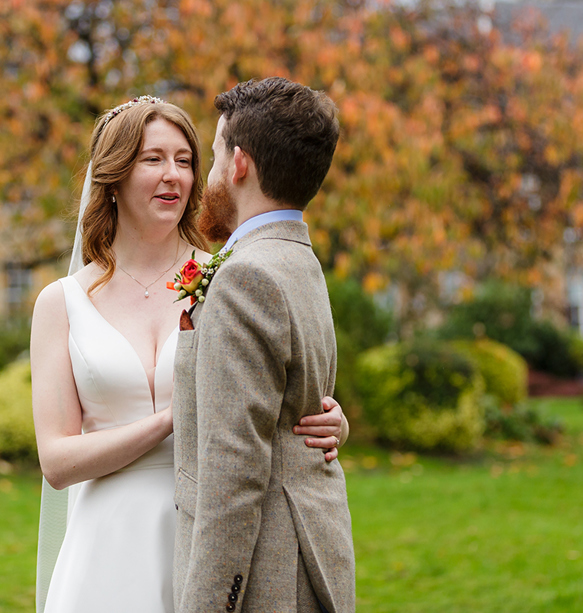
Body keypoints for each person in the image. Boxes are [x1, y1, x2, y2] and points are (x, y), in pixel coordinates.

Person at [30, 95, 348, 613]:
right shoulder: (61, 304)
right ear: (112, 175)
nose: (173, 175)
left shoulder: (231, 277)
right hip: (107, 544)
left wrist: (332, 422)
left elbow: (278, 394)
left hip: (207, 532)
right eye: (152, 159)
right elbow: (57, 461)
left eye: (185, 160)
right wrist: (172, 420)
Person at [172, 78, 355, 613]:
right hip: (312, 549)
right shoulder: (300, 259)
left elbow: (234, 473)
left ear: (240, 165)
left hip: (267, 578)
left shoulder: (243, 278)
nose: (206, 177)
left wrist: (208, 605)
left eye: (211, 158)